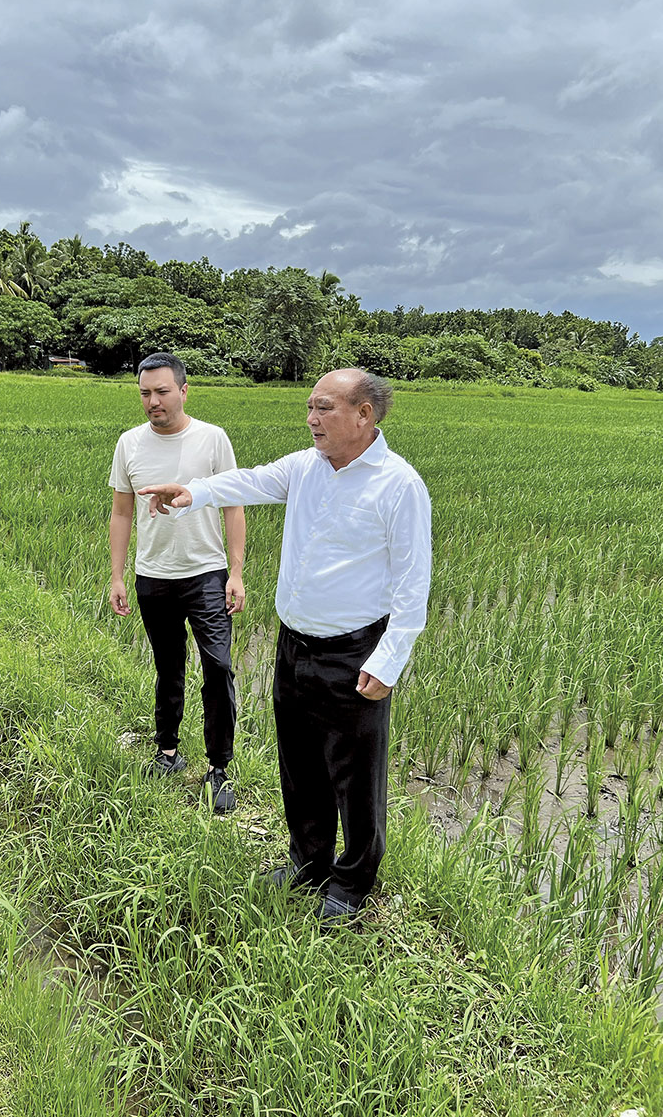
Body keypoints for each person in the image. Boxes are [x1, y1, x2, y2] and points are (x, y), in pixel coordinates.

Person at [139, 369, 431, 926]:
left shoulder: (398, 484)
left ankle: (351, 883)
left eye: (323, 408)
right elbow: (248, 481)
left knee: (355, 775)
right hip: (294, 644)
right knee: (299, 764)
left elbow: (413, 585)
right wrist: (192, 492)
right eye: (309, 407)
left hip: (354, 653)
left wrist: (390, 659)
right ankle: (309, 861)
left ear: (364, 414)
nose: (311, 419)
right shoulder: (305, 468)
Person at [109, 352, 246, 813]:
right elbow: (121, 511)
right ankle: (167, 752)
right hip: (153, 576)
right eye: (145, 393)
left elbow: (233, 505)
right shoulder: (129, 443)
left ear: (184, 391)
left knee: (218, 669)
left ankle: (218, 768)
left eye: (162, 392)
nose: (153, 402)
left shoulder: (212, 439)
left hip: (206, 574)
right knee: (167, 667)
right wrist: (117, 575)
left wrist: (237, 572)